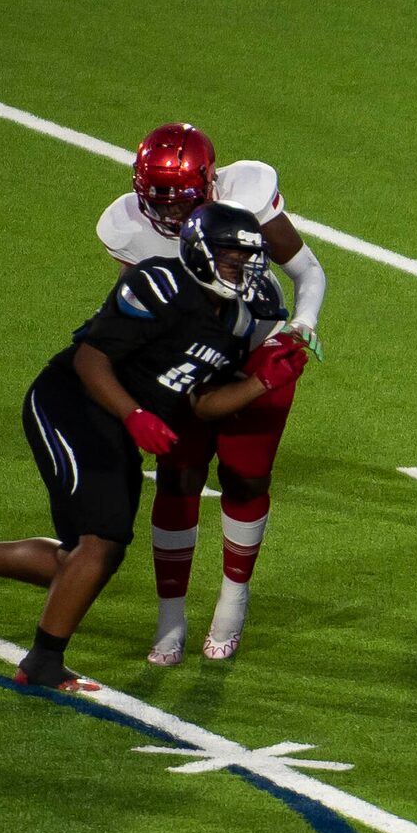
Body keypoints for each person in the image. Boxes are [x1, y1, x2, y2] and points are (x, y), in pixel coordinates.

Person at [0, 204, 302, 691]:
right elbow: (90, 361)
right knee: (101, 542)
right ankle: (42, 662)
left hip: (119, 423)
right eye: (232, 256)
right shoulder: (159, 284)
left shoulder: (233, 322)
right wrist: (136, 415)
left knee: (88, 553)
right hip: (71, 403)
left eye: (248, 258)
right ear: (199, 254)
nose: (243, 268)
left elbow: (203, 401)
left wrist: (260, 384)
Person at [95, 123, 328, 663]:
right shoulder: (127, 227)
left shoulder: (246, 192)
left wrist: (302, 325)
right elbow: (142, 305)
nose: (171, 214)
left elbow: (307, 270)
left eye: (181, 200)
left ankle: (232, 598)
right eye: (159, 200)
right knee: (178, 481)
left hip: (256, 345)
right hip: (185, 358)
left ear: (210, 182)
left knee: (245, 477)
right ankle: (170, 616)